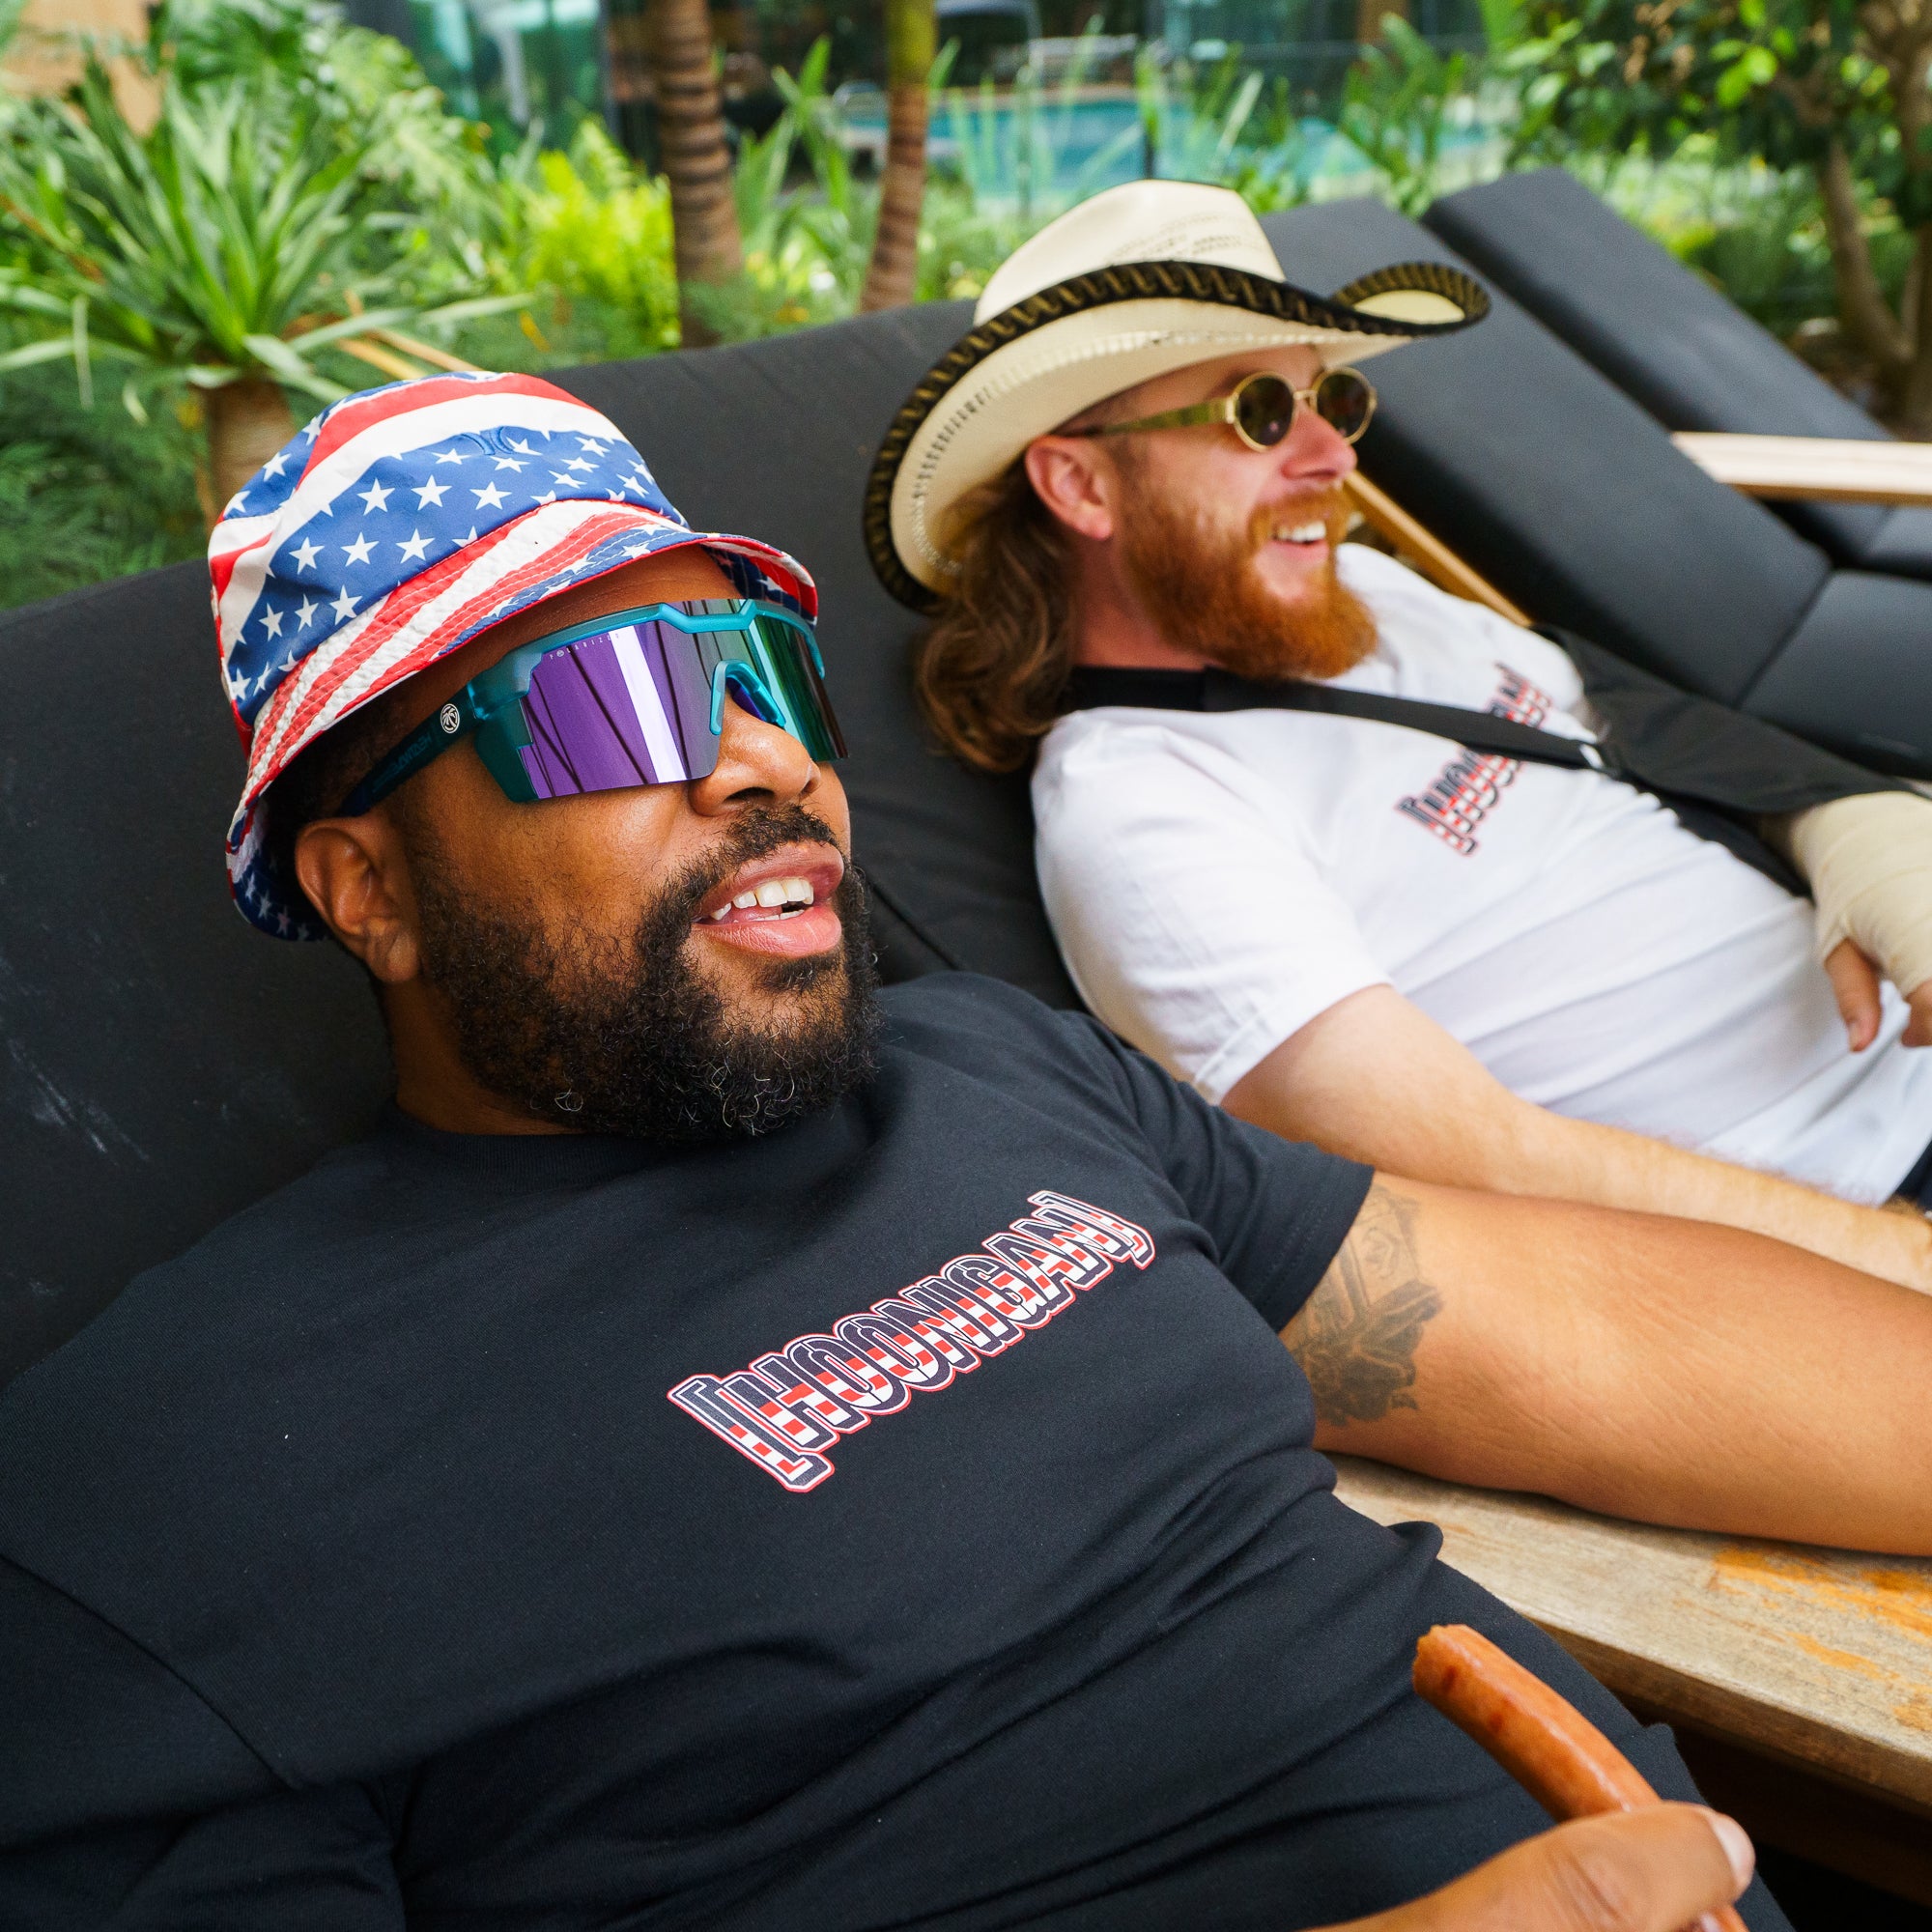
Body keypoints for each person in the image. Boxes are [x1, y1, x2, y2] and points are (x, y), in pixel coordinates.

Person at [13, 374, 1932, 1932]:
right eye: (610, 703)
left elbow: (1576, 1340)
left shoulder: (987, 1078)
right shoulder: (155, 1495)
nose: (765, 762)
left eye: (766, 677)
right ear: (370, 886)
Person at [869, 180, 1932, 1294]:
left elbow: (1635, 723)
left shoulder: (1360, 587)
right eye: (1258, 415)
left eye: (1325, 398)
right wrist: (1892, 1259)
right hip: (1854, 1212)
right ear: (1080, 482)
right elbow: (1476, 1165)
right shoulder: (1142, 811)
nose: (1333, 455)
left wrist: (1852, 824)